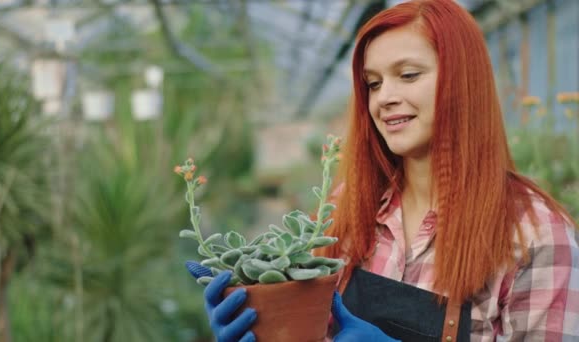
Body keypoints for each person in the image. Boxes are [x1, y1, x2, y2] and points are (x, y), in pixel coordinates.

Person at [186, 0, 579, 341]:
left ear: (464, 80)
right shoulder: (346, 208)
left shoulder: (534, 236)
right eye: (373, 83)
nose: (385, 98)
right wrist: (261, 323)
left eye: (408, 75)